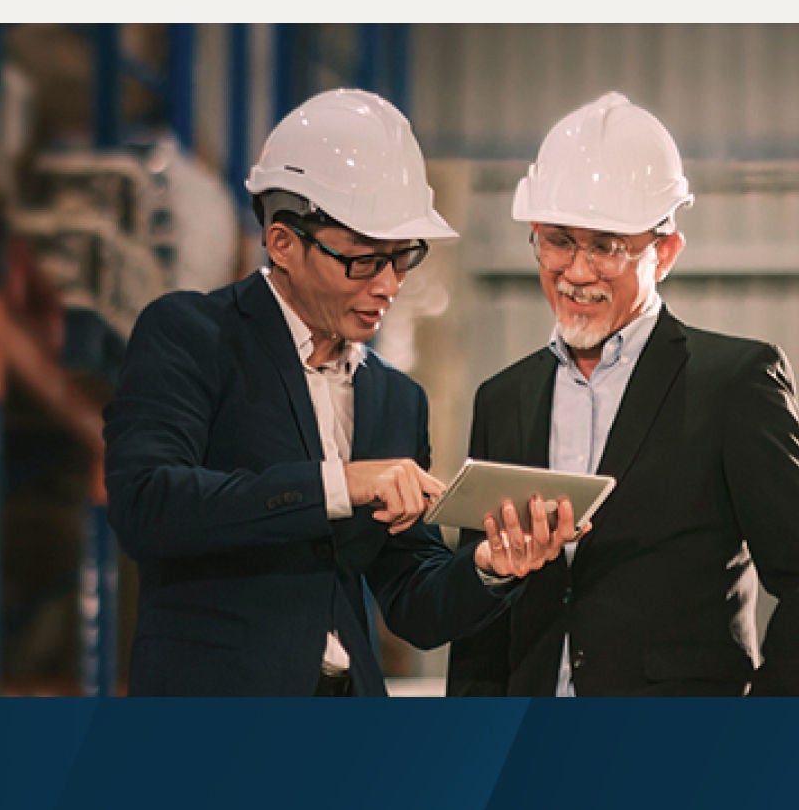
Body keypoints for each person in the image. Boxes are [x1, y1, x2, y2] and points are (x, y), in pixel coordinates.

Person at [104, 88, 580, 697]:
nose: (388, 285)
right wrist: (339, 483)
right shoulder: (193, 336)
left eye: (402, 259)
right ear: (283, 244)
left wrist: (491, 567)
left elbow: (410, 599)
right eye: (362, 261)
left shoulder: (395, 400)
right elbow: (147, 506)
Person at [446, 92, 799, 697]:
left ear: (664, 252)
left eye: (607, 245)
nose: (577, 271)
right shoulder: (502, 398)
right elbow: (482, 619)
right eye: (558, 240)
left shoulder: (735, 382)